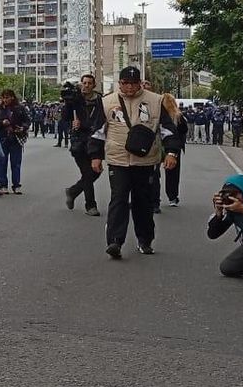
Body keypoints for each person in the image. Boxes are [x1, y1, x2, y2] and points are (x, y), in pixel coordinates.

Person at [88, 66, 180, 259]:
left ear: (140, 83)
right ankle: (115, 241)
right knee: (119, 199)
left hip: (145, 160)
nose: (129, 87)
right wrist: (95, 156)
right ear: (119, 83)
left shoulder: (156, 101)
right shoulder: (107, 102)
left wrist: (171, 152)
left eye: (133, 83)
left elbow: (168, 130)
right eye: (125, 83)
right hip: (118, 160)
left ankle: (145, 240)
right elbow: (97, 131)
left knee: (143, 202)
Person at [64, 74, 103, 216]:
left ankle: (73, 191)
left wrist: (84, 124)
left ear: (94, 85)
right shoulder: (75, 100)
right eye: (84, 83)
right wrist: (68, 103)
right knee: (87, 173)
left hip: (95, 141)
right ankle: (90, 205)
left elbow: (100, 122)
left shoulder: (100, 101)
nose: (86, 86)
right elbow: (65, 117)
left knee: (96, 171)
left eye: (89, 83)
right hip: (79, 143)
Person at [0, 89, 30, 195]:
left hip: (16, 138)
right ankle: (3, 184)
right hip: (2, 138)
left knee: (16, 163)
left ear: (12, 97)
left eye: (7, 97)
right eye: (3, 97)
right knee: (2, 162)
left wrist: (23, 128)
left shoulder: (20, 108)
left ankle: (16, 185)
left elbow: (27, 121)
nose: (5, 99)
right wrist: (2, 123)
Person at [160, 94, 188, 208]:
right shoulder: (178, 116)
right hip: (174, 147)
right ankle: (172, 196)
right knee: (173, 172)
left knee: (153, 171)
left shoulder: (158, 115)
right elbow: (184, 130)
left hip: (159, 145)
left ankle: (154, 196)